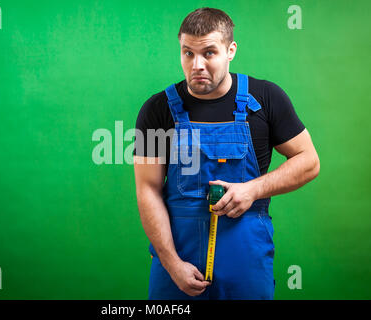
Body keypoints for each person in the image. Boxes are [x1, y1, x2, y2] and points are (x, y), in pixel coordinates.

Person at [133, 7, 320, 300]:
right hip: (177, 261)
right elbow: (148, 189)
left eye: (209, 53)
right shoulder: (158, 110)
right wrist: (171, 263)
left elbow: (309, 161)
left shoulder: (266, 99)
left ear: (230, 50)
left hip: (246, 258)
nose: (197, 64)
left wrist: (252, 189)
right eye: (187, 53)